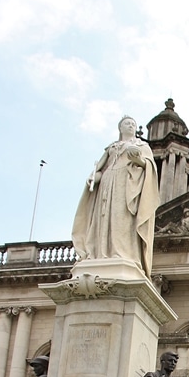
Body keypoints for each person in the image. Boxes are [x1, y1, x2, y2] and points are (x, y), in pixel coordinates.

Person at [72, 116, 159, 277]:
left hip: (127, 186)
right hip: (107, 184)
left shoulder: (141, 145)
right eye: (127, 123)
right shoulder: (111, 147)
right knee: (103, 219)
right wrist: (94, 178)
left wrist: (138, 160)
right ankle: (102, 251)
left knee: (122, 220)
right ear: (120, 128)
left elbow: (149, 166)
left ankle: (122, 252)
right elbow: (101, 169)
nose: (131, 126)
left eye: (133, 124)